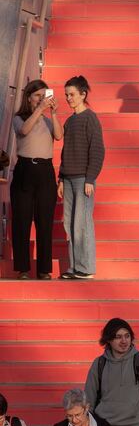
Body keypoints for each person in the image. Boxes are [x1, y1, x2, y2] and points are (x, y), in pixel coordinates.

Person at [10, 79, 63, 280]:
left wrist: (54, 113)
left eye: (44, 95)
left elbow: (58, 136)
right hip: (24, 169)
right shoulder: (19, 118)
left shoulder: (49, 121)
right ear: (29, 97)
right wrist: (40, 109)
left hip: (45, 171)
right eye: (37, 95)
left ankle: (44, 269)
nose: (42, 99)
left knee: (45, 222)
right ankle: (23, 268)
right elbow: (24, 130)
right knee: (22, 221)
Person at [58, 75, 105, 280]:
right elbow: (65, 150)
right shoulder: (69, 120)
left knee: (82, 223)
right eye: (66, 95)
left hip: (83, 179)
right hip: (67, 179)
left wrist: (90, 178)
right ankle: (74, 267)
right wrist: (60, 178)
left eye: (72, 94)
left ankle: (86, 268)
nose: (68, 98)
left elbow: (97, 150)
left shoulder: (90, 118)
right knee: (69, 223)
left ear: (83, 94)